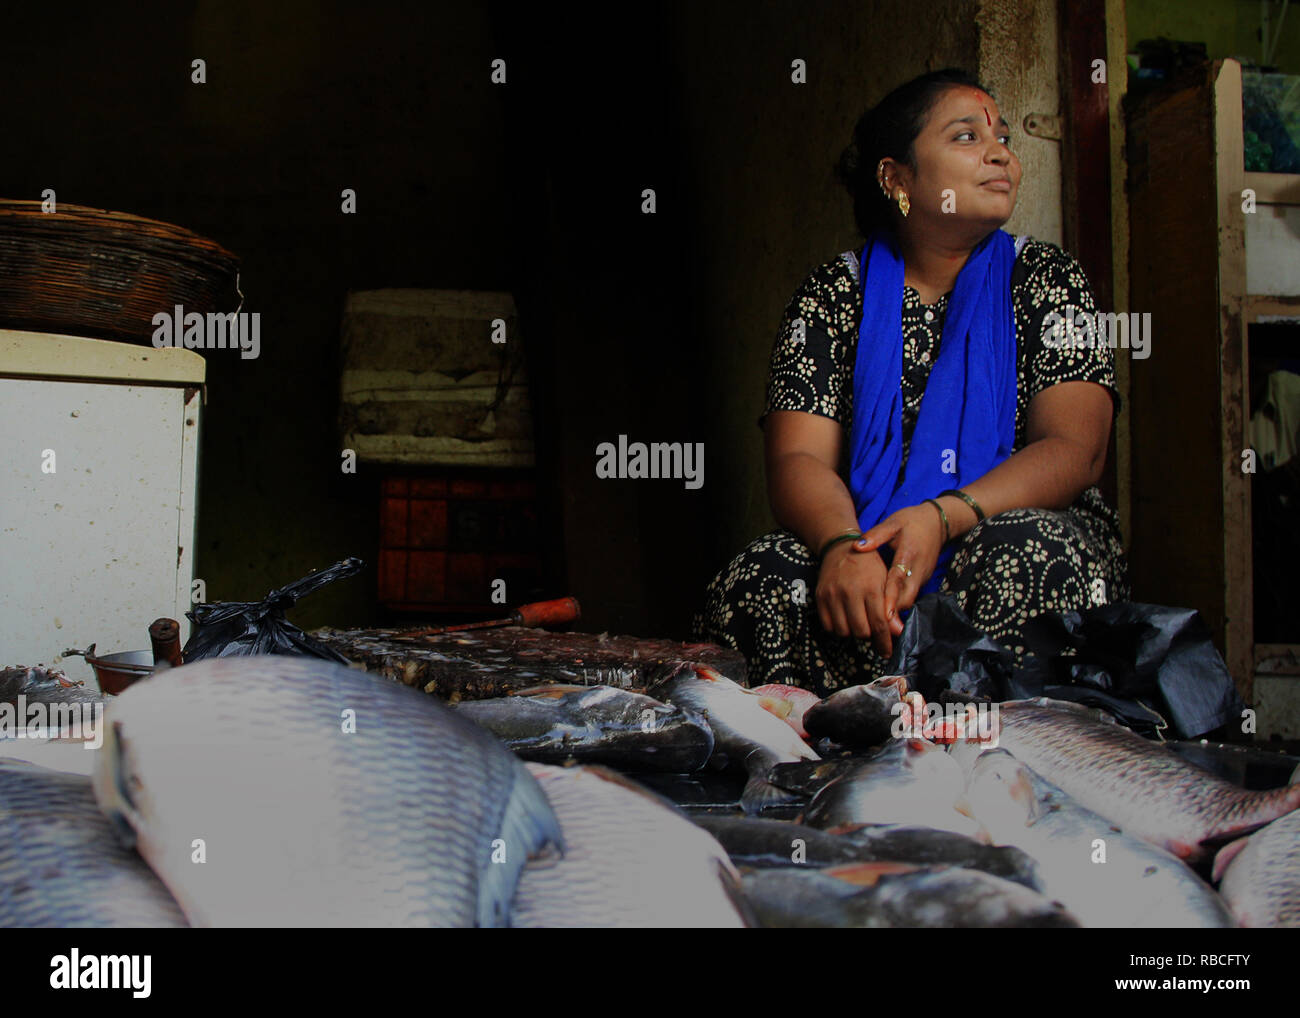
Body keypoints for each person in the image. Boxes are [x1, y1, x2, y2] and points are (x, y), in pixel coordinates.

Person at [691, 68, 1130, 697]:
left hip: (1000, 527)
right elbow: (797, 456)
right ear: (896, 178)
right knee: (760, 575)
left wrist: (942, 517)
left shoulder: (1046, 278)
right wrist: (845, 545)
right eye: (965, 136)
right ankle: (829, 762)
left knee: (1029, 549)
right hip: (873, 538)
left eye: (1001, 136)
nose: (999, 151)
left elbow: (1076, 449)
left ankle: (994, 762)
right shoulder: (832, 296)